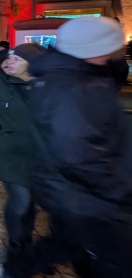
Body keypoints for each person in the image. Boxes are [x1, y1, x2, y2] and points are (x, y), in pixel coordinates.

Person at [22, 17, 132, 277]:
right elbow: (76, 153)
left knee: (68, 243)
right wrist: (122, 189)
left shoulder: (77, 79)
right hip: (87, 196)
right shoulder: (73, 86)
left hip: (76, 193)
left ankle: (17, 268)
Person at [0, 44, 46, 278]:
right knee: (21, 201)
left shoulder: (43, 85)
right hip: (7, 151)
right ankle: (16, 249)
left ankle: (26, 247)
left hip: (38, 154)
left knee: (32, 204)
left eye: (17, 59)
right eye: (10, 57)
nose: (9, 61)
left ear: (31, 64)